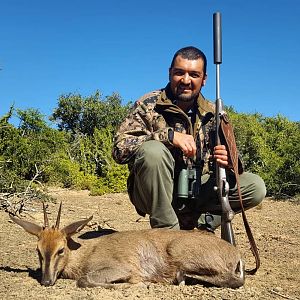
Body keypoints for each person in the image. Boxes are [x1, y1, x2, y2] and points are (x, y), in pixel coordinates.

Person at [112, 46, 266, 231]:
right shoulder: (148, 104)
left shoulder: (214, 112)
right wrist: (167, 136)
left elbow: (236, 164)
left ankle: (202, 224)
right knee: (153, 152)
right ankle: (167, 231)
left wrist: (229, 160)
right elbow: (119, 149)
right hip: (156, 190)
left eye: (194, 74)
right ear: (170, 73)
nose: (186, 80)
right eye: (179, 73)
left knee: (255, 187)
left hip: (196, 190)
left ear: (204, 79)